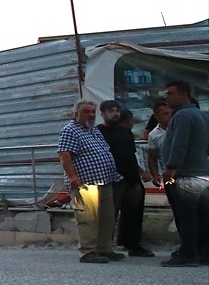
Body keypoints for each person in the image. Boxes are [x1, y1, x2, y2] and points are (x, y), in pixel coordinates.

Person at [57, 101, 123, 264]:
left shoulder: (93, 130)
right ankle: (87, 251)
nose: (91, 115)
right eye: (86, 112)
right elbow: (65, 155)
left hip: (105, 181)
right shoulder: (70, 130)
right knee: (88, 218)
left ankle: (104, 249)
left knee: (107, 217)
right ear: (76, 114)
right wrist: (72, 177)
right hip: (85, 183)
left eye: (93, 112)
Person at [158, 80, 209, 268]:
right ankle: (204, 251)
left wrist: (171, 168)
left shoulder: (183, 116)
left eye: (170, 93)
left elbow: (179, 144)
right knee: (202, 215)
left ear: (184, 94)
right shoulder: (201, 115)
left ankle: (187, 254)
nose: (166, 97)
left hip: (185, 174)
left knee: (186, 216)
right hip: (201, 173)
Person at [97, 102, 152, 257]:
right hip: (112, 179)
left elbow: (130, 155)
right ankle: (104, 247)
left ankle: (132, 244)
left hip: (132, 178)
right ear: (103, 113)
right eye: (111, 111)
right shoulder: (97, 133)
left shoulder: (125, 132)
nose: (115, 114)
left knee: (134, 213)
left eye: (117, 111)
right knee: (108, 215)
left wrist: (141, 172)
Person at [146, 101, 173, 186]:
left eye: (170, 113)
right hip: (168, 175)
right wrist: (155, 175)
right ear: (156, 116)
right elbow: (152, 158)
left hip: (187, 172)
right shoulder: (153, 135)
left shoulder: (179, 128)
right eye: (165, 113)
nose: (170, 115)